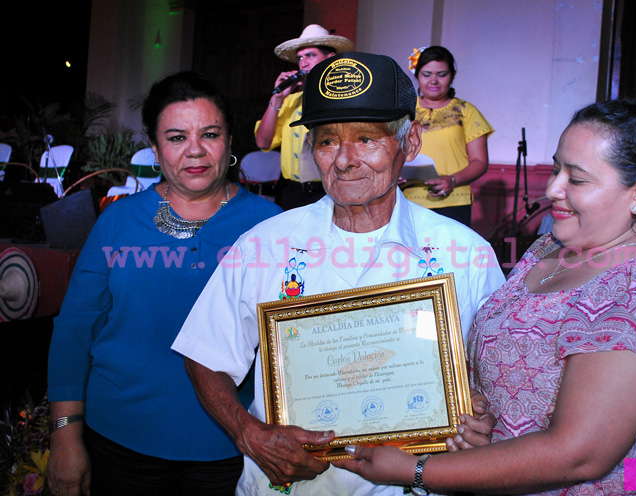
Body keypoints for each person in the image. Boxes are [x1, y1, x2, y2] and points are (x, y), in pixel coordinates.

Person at [335, 99, 636, 495]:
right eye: (556, 169)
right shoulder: (548, 250)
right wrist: (474, 413)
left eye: (577, 179)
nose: (553, 189)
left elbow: (578, 454)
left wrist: (416, 470)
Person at [172, 52, 506, 496]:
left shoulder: (465, 254)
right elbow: (205, 352)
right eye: (327, 140)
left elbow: (497, 380)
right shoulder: (265, 244)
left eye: (366, 138)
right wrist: (248, 433)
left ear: (409, 143)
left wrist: (482, 416)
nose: (344, 160)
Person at [46, 71, 282, 496]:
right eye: (176, 137)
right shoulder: (119, 219)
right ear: (155, 149)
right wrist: (65, 435)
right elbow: (74, 331)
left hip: (231, 448)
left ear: (229, 142)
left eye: (209, 133)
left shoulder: (271, 224)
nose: (195, 150)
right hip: (118, 442)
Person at [254, 24, 354, 210]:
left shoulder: (343, 99)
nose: (303, 62)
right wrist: (276, 100)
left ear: (330, 58)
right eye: (300, 57)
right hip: (291, 190)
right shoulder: (290, 101)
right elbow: (263, 142)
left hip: (329, 189)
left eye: (310, 55)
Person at [401, 46, 494, 227]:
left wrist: (452, 180)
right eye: (426, 74)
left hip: (453, 200)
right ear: (417, 76)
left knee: (450, 254)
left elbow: (479, 161)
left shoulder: (466, 111)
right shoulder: (404, 111)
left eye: (441, 74)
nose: (434, 81)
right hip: (407, 199)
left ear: (452, 76)